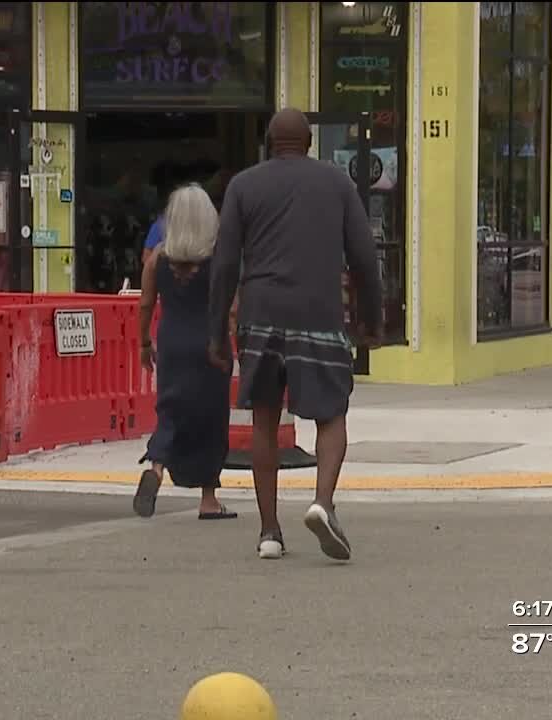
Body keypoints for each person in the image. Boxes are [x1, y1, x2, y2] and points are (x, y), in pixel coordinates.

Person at [208, 108, 382, 561]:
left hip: (260, 313)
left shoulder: (243, 186)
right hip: (318, 313)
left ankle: (269, 531)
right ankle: (322, 503)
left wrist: (215, 335)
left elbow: (225, 263)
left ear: (269, 142)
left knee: (265, 419)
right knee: (331, 415)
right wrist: (371, 319)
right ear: (309, 142)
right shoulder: (337, 184)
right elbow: (364, 257)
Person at [133, 184, 236, 521]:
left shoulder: (158, 259)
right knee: (211, 419)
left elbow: (145, 304)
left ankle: (158, 467)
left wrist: (144, 344)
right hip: (211, 345)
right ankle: (209, 499)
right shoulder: (219, 258)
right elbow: (231, 307)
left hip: (172, 345)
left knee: (170, 411)